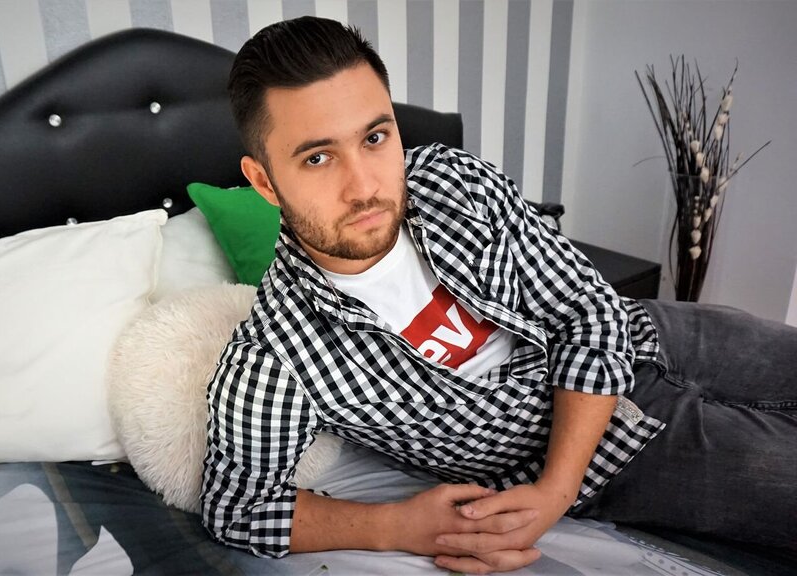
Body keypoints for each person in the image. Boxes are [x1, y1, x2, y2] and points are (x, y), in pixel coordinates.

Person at [200, 15, 797, 573]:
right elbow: (237, 507)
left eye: (376, 137)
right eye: (318, 157)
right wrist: (398, 526)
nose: (363, 186)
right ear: (264, 182)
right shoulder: (277, 356)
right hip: (617, 455)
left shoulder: (452, 180)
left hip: (649, 331)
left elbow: (586, 307)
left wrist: (555, 491)